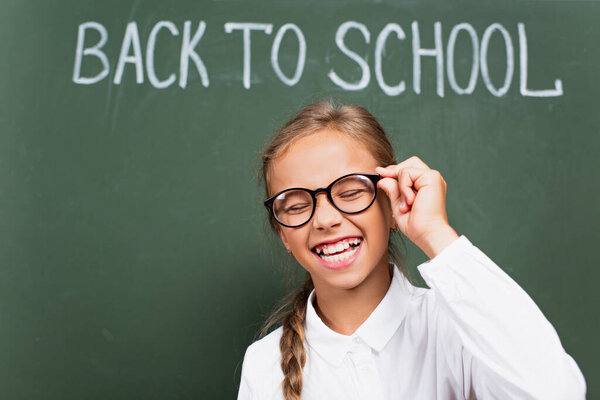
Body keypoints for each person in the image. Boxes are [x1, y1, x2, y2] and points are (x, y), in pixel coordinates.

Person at [237, 101, 586, 400]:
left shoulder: (456, 327)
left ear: (391, 203)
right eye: (296, 205)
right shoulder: (263, 365)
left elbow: (556, 392)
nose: (326, 220)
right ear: (282, 233)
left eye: (351, 192)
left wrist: (436, 233)